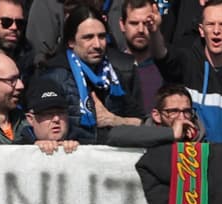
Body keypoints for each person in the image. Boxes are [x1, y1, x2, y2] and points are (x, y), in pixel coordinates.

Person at [154, 0, 222, 142]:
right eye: (210, 24)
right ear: (201, 30)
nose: (216, 31)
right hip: (194, 159)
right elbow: (162, 55)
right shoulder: (187, 62)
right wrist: (154, 31)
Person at [36, 5, 144, 145]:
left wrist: (115, 120)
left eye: (102, 36)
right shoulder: (52, 77)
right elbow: (35, 126)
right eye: (88, 37)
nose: (97, 44)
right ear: (71, 42)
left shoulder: (115, 75)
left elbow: (142, 122)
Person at [18, 78, 79, 153]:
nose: (56, 119)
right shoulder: (14, 150)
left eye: (61, 112)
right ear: (30, 119)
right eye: (48, 114)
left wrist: (78, 151)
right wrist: (33, 149)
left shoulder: (85, 145)